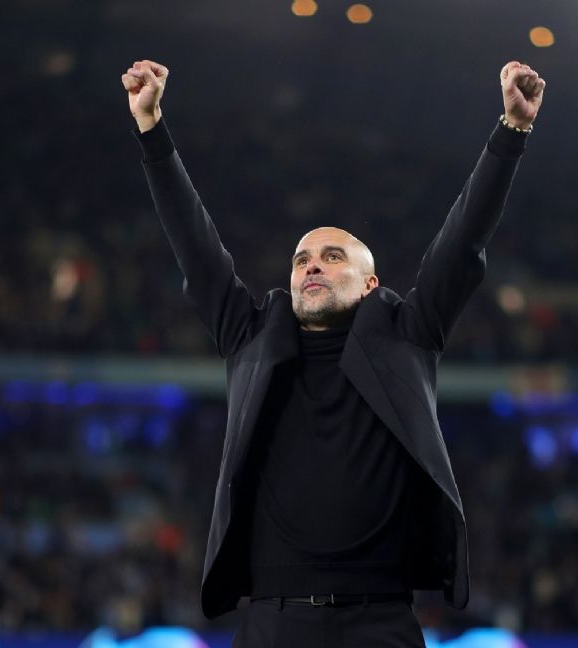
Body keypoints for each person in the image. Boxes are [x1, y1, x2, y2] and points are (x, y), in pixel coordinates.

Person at [122, 58, 544, 647]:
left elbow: (462, 243)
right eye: (302, 260)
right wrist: (151, 128)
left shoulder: (407, 335)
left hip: (380, 622)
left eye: (332, 257)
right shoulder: (251, 337)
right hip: (273, 622)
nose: (312, 266)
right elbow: (195, 247)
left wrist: (511, 131)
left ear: (370, 284)